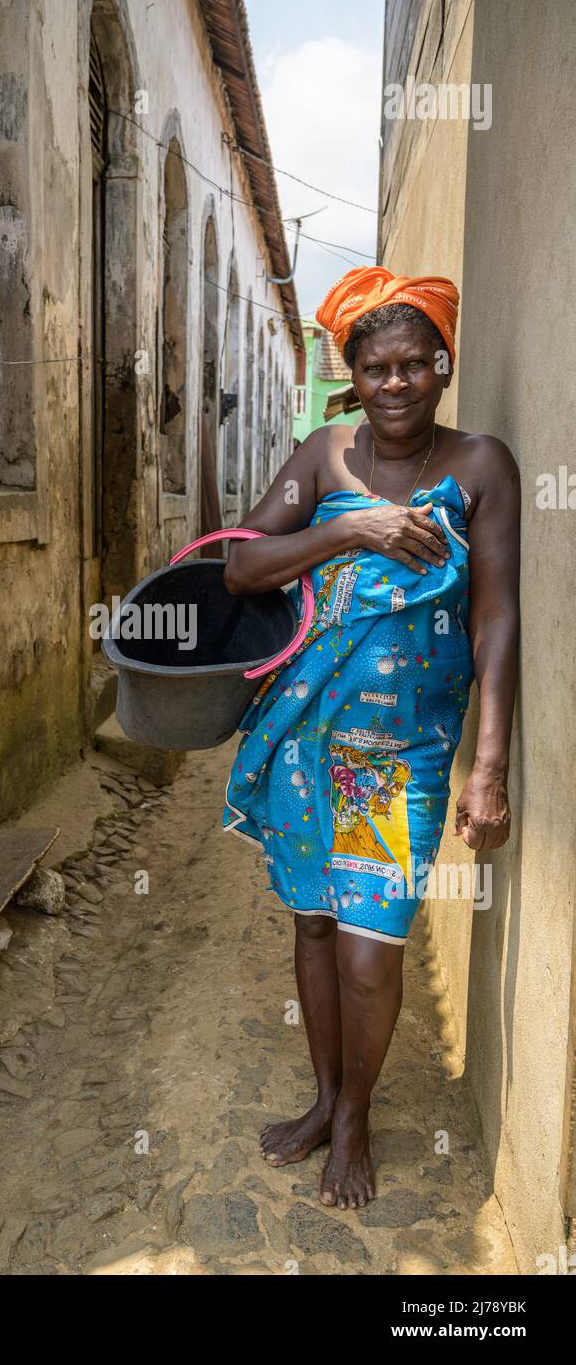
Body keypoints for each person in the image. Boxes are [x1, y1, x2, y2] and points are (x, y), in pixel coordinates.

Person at [222, 267, 519, 1209]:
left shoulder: (481, 468)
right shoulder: (321, 457)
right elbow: (240, 566)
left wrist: (490, 766)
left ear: (442, 365)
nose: (395, 383)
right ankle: (322, 1099)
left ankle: (354, 1115)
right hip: (308, 739)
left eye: (413, 365)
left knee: (369, 949)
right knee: (314, 924)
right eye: (375, 366)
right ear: (352, 372)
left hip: (397, 760)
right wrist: (358, 533)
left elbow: (495, 619)